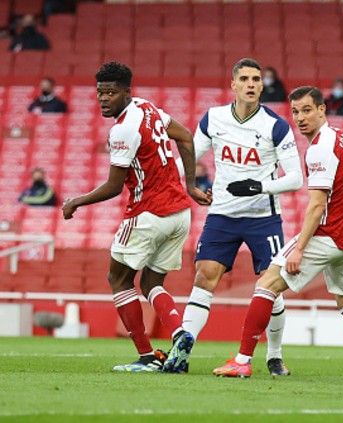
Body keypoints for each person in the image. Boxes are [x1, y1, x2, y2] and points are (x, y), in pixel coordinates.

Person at [212, 86, 343, 381]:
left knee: (267, 283)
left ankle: (243, 360)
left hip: (327, 234)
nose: (300, 118)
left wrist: (299, 249)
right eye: (295, 112)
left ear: (322, 109)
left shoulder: (320, 148)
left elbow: (317, 204)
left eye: (307, 110)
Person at [61, 62, 211, 372]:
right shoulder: (148, 108)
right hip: (179, 213)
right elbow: (185, 136)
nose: (104, 99)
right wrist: (191, 184)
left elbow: (115, 187)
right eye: (100, 92)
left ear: (127, 91)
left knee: (118, 278)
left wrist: (76, 201)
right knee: (152, 281)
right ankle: (180, 333)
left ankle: (146, 356)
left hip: (148, 213)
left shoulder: (123, 129)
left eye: (111, 93)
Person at [176, 58, 303, 376]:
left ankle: (274, 355)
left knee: (270, 286)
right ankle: (183, 347)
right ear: (232, 84)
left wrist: (258, 186)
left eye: (256, 79)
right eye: (244, 78)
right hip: (222, 213)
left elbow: (296, 177)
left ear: (262, 86)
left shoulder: (276, 126)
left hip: (264, 217)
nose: (250, 84)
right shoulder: (213, 118)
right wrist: (184, 182)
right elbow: (190, 157)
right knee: (204, 276)